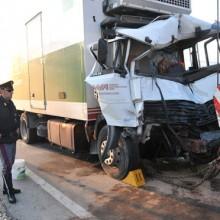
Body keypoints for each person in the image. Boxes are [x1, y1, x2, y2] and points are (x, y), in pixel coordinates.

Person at [0, 80, 21, 204]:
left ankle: (6, 188)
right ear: (1, 91)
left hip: (12, 138)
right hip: (3, 140)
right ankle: (9, 192)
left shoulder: (10, 103)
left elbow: (15, 116)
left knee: (11, 162)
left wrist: (17, 126)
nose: (11, 92)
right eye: (9, 90)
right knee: (7, 165)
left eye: (12, 90)